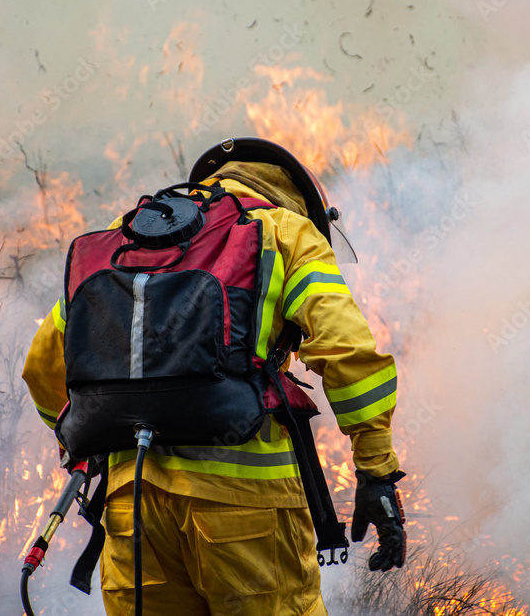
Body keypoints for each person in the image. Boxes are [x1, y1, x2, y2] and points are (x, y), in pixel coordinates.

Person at [22, 137, 405, 615]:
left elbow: (43, 365)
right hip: (247, 509)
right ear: (297, 196)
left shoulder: (130, 234)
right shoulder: (285, 232)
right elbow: (349, 353)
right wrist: (376, 472)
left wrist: (91, 446)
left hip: (132, 511)